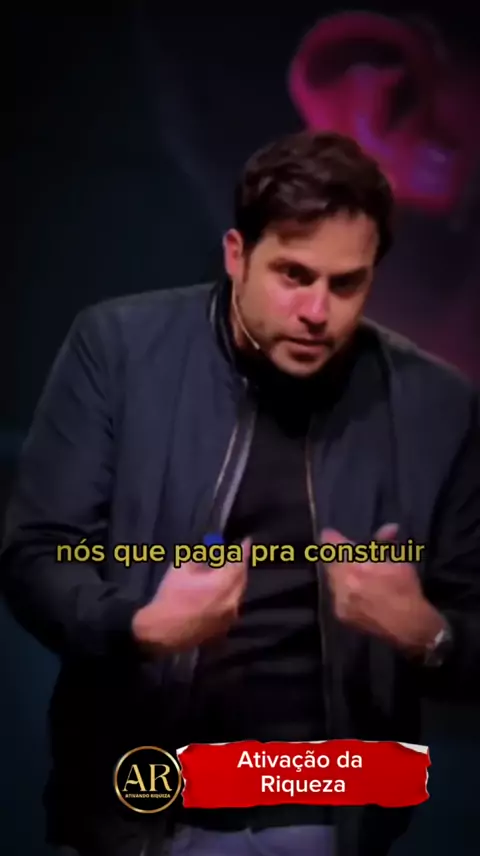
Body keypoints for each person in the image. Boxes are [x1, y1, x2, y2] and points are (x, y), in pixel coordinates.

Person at [1, 131, 479, 856]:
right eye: (293, 274)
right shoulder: (118, 349)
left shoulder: (437, 407)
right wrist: (139, 628)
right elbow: (36, 555)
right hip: (137, 800)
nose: (317, 310)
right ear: (236, 255)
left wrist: (427, 634)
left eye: (345, 284)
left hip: (319, 808)